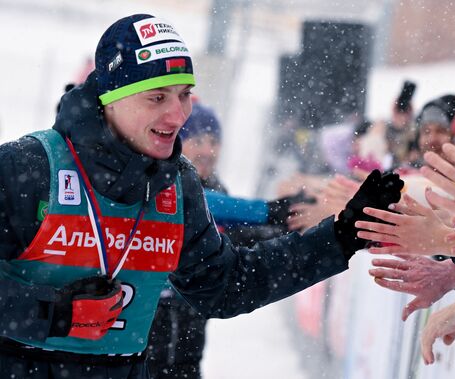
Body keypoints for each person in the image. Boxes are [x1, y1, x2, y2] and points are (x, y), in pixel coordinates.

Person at [0, 14, 404, 379]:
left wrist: (340, 236)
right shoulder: (28, 167)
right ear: (110, 98)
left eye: (184, 94)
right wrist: (52, 313)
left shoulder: (176, 185)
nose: (179, 115)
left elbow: (227, 285)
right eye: (157, 97)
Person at [147, 102, 307, 379]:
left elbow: (233, 240)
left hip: (190, 310)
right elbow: (193, 203)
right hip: (148, 310)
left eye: (214, 141)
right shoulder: (159, 179)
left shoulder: (216, 187)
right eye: (197, 140)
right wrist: (269, 212)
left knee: (187, 368)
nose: (208, 151)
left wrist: (295, 228)